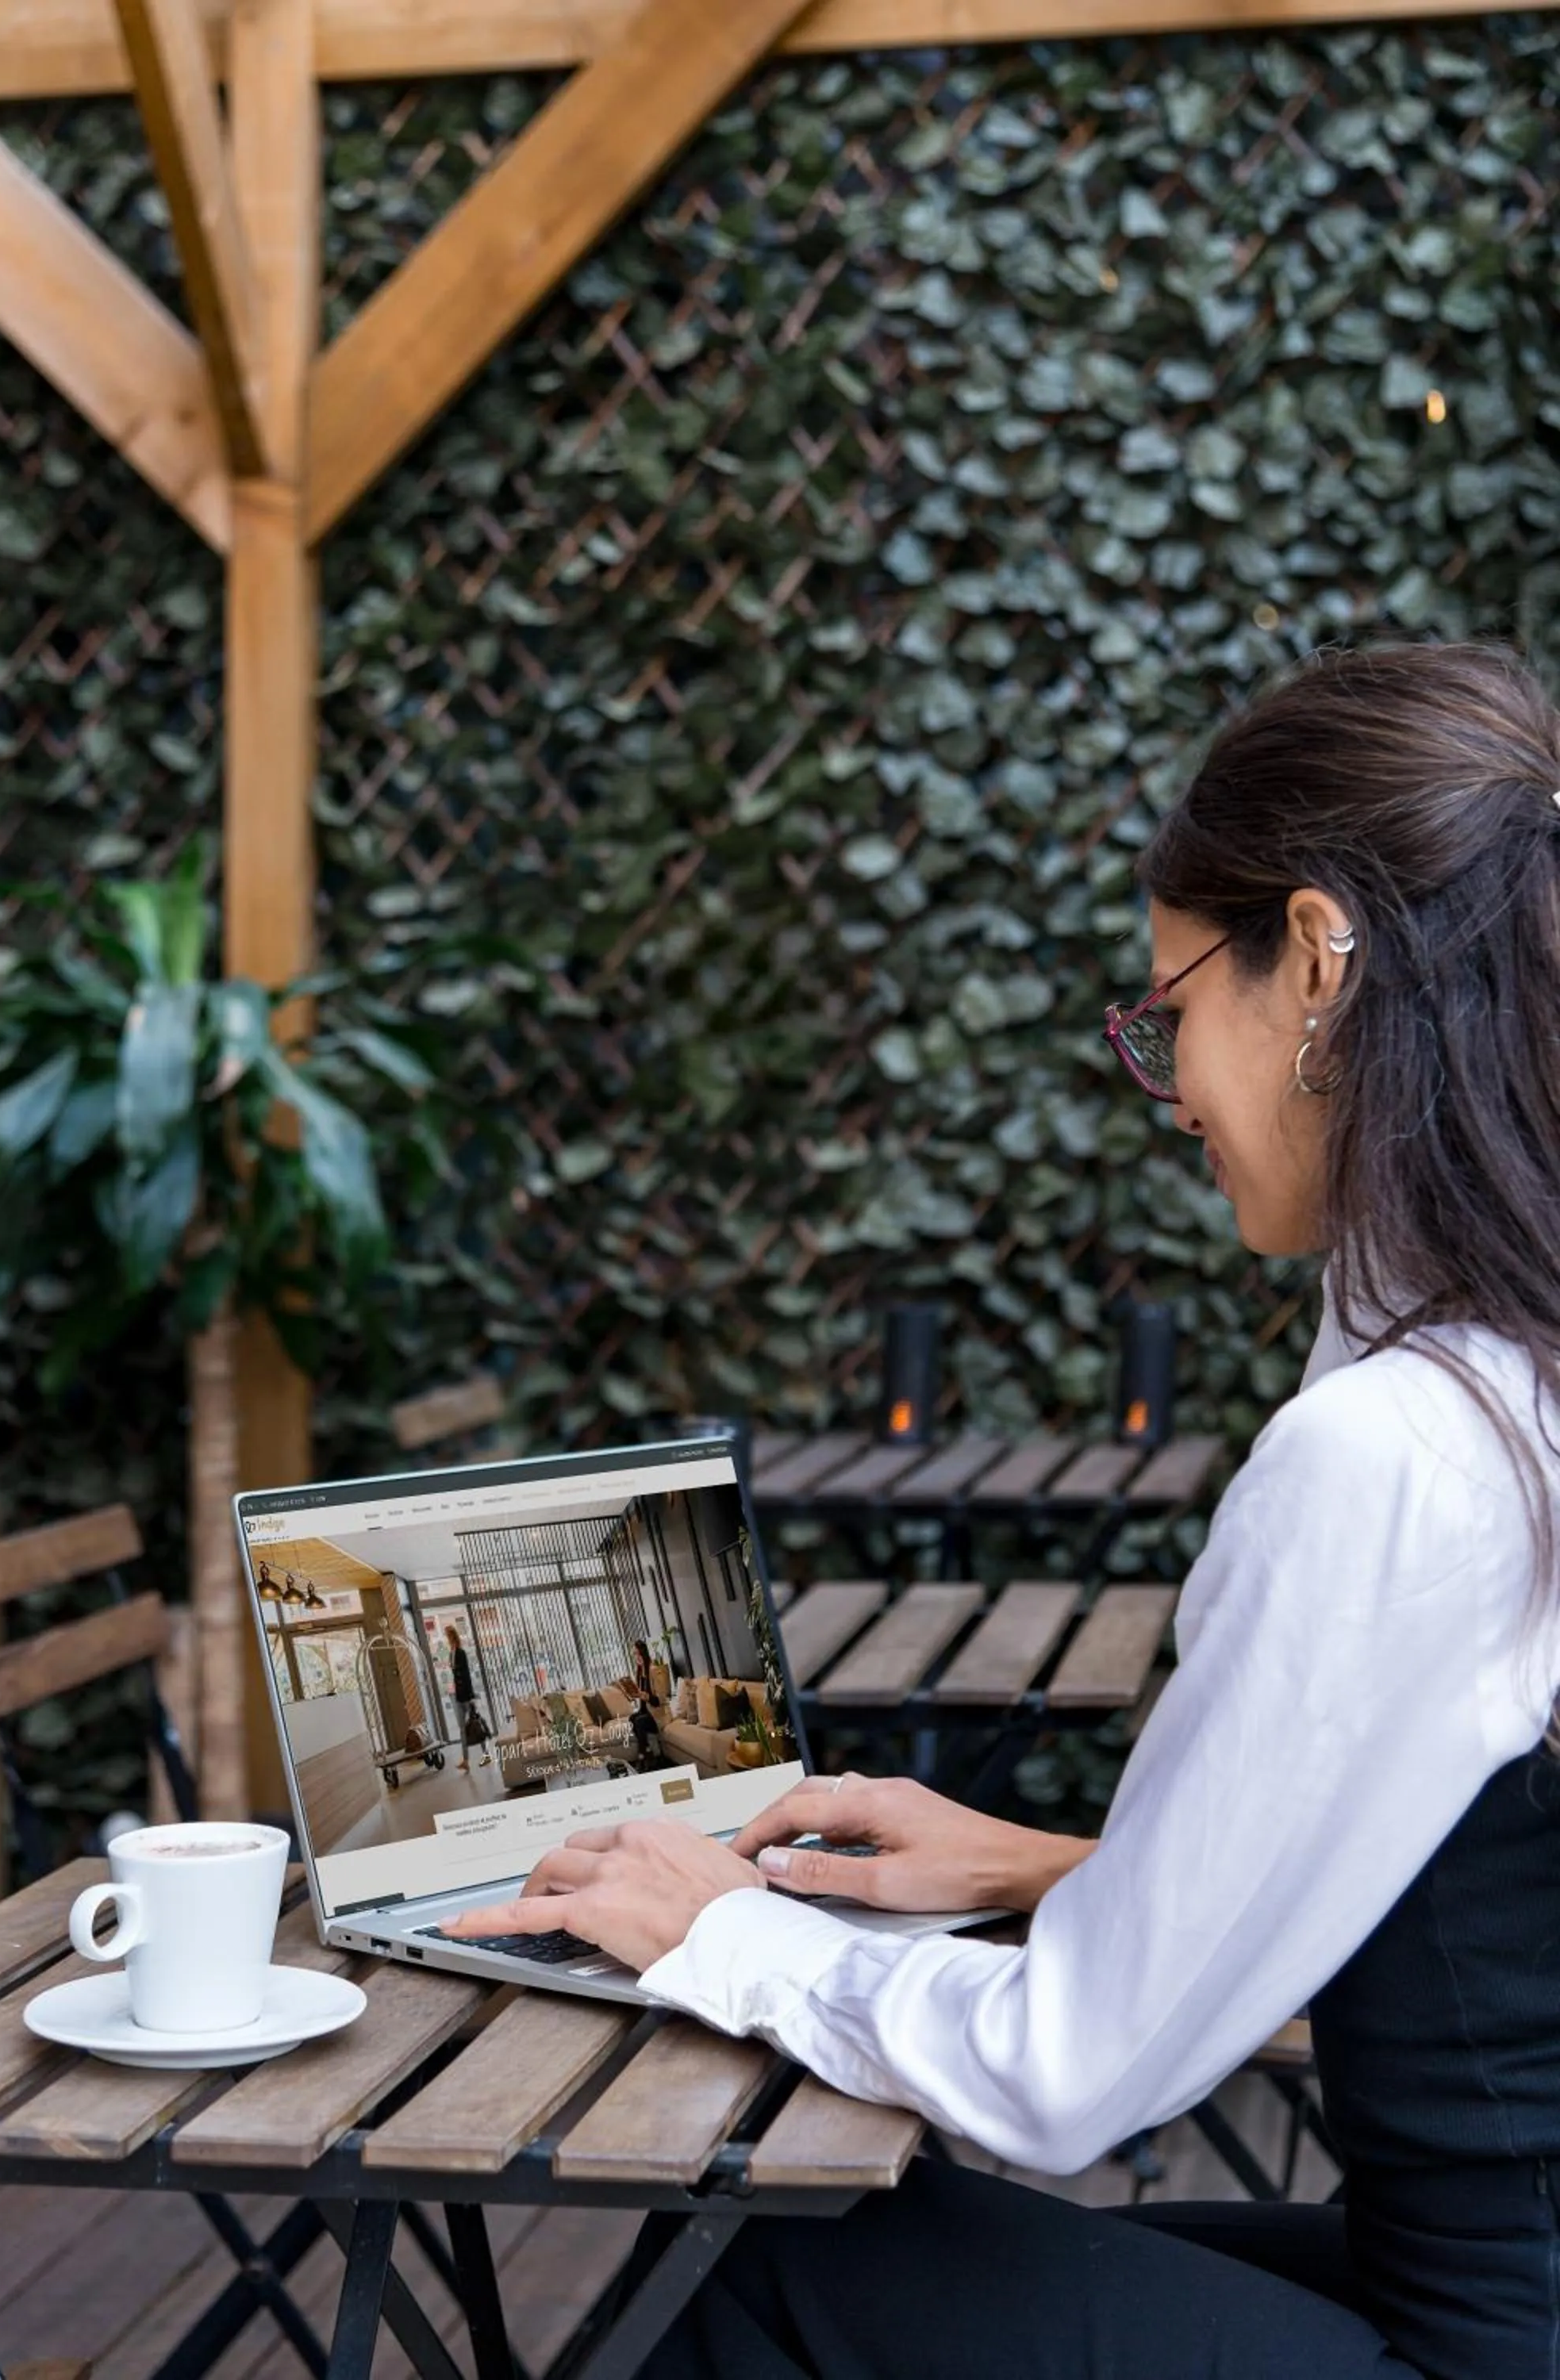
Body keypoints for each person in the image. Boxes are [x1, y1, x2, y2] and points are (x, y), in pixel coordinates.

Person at [446, 640, 1560, 2378]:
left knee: (772, 2277)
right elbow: (1457, 1890)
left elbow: (1066, 2080)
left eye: (1170, 1013)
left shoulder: (1407, 1449)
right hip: (1475, 2276)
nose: (1171, 1096)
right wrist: (1049, 1870)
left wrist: (722, 1930)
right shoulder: (1508, 1369)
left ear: (1315, 958)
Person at [444, 1624, 486, 1774]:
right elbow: (455, 1675)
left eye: (448, 1636)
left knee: (475, 1725)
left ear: (452, 1636)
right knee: (462, 1729)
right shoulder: (451, 1653)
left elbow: (466, 1675)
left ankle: (486, 1754)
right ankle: (466, 1761)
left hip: (466, 1695)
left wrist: (471, 1696)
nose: (447, 1639)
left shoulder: (460, 1653)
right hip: (458, 1695)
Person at [628, 1639, 663, 1769]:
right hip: (646, 1712)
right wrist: (633, 1694)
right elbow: (641, 1699)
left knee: (639, 1721)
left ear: (644, 1653)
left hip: (656, 1714)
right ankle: (647, 1751)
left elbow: (659, 1701)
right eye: (634, 1654)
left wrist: (646, 1696)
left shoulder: (653, 1670)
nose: (637, 1657)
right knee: (632, 1718)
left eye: (638, 1654)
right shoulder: (639, 1672)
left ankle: (643, 1755)